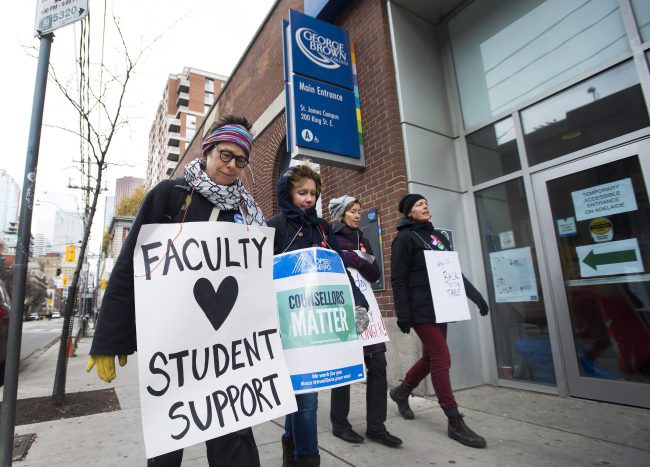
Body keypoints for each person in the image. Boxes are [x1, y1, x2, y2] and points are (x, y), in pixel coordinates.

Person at [86, 115, 265, 467]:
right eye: (225, 155)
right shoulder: (171, 196)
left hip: (227, 347)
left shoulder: (248, 213)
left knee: (235, 439)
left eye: (240, 160)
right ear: (208, 150)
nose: (231, 166)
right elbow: (130, 266)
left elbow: (257, 280)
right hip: (174, 349)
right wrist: (110, 338)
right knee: (168, 444)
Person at [268, 165, 369, 467]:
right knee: (307, 398)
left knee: (302, 393)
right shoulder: (275, 226)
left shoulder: (324, 229)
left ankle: (290, 445)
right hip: (288, 325)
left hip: (320, 322)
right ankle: (307, 458)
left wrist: (358, 304)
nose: (309, 198)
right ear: (287, 193)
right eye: (302, 192)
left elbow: (339, 269)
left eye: (313, 193)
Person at [389, 194, 490, 449]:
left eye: (427, 203)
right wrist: (403, 314)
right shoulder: (404, 240)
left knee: (430, 358)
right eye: (420, 204)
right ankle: (454, 420)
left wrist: (476, 297)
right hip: (420, 309)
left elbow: (452, 272)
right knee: (442, 357)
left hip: (441, 306)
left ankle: (401, 392)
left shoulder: (438, 238)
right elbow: (398, 279)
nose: (426, 206)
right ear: (408, 212)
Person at [327, 196, 403, 448]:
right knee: (346, 366)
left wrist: (357, 259)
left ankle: (376, 427)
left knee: (379, 364)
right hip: (343, 307)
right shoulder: (329, 236)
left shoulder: (363, 239)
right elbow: (330, 267)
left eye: (359, 211)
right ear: (340, 214)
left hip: (368, 307)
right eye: (352, 211)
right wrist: (348, 258)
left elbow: (374, 272)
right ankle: (340, 423)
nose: (357, 215)